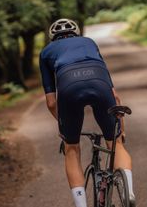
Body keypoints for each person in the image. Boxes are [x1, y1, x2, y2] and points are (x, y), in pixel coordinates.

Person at [39, 18, 135, 207]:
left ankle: (81, 205)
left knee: (72, 149)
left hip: (68, 87)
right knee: (116, 143)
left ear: (52, 38)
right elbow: (115, 97)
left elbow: (51, 102)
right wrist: (120, 128)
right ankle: (129, 192)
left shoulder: (45, 53)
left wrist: (63, 124)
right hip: (99, 82)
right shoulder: (89, 43)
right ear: (76, 33)